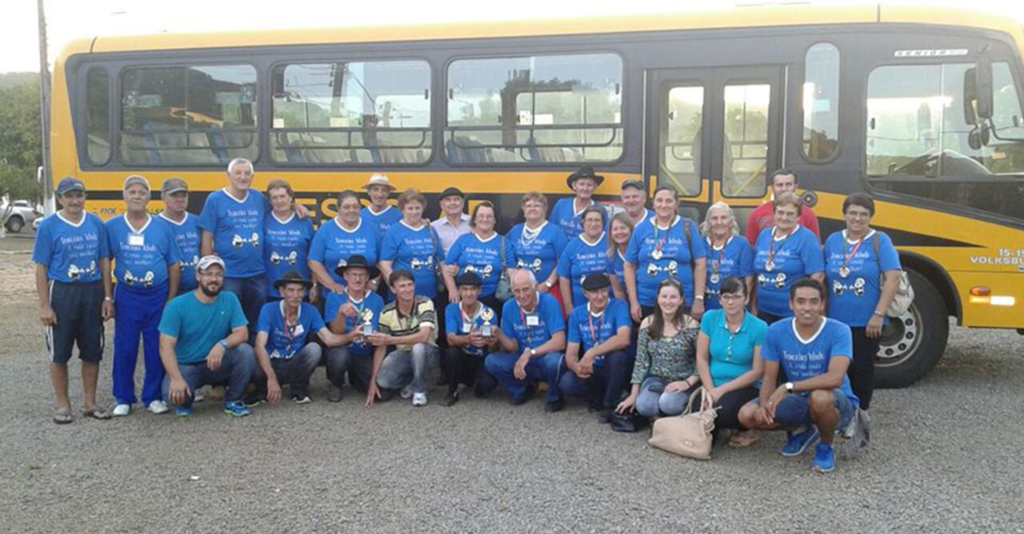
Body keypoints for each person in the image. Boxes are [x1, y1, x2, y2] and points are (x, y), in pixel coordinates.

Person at [738, 278, 859, 474]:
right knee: (747, 415)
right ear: (791, 304)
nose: (807, 308)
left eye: (813, 302)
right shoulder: (777, 330)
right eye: (801, 301)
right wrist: (764, 405)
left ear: (822, 304)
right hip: (800, 399)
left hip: (836, 400)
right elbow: (769, 377)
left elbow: (835, 378)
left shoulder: (839, 330)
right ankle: (801, 430)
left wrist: (787, 387)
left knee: (819, 397)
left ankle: (826, 447)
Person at [33, 177, 114, 424]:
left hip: (92, 292)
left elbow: (104, 261)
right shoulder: (49, 226)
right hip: (62, 293)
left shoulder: (96, 223)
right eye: (69, 196)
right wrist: (45, 306)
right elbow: (41, 268)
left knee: (92, 351)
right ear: (60, 199)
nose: (75, 201)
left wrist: (108, 296)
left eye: (79, 195)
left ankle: (90, 404)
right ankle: (63, 405)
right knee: (60, 353)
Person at [825, 193, 901, 445]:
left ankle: (860, 418)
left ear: (870, 217)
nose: (857, 218)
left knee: (862, 370)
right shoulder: (834, 241)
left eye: (863, 214)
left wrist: (878, 315)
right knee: (837, 371)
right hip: (836, 322)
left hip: (867, 322)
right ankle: (840, 415)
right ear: (844, 214)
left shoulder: (880, 241)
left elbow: (893, 278)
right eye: (853, 213)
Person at [107, 175, 181, 417]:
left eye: (142, 192)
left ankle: (153, 397)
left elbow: (173, 265)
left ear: (149, 198)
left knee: (155, 346)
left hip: (157, 295)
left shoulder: (162, 226)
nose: (137, 196)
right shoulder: (113, 226)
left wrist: (170, 298)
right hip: (127, 295)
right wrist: (108, 297)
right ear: (124, 196)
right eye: (132, 192)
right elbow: (104, 261)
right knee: (125, 347)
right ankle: (123, 397)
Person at [159, 256, 258, 418]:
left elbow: (242, 333)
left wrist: (222, 345)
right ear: (198, 276)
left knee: (245, 352)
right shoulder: (177, 305)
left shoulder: (230, 299)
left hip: (217, 363)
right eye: (208, 274)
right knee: (175, 398)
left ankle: (233, 401)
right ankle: (186, 400)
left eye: (218, 275)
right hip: (187, 365)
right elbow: (165, 346)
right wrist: (176, 378)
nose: (214, 279)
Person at [250, 271, 346, 405]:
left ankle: (298, 389)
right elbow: (260, 344)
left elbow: (329, 339)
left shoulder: (310, 310)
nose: (296, 295)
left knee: (314, 349)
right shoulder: (268, 309)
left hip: (293, 362)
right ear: (281, 292)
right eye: (291, 290)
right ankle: (263, 389)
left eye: (300, 290)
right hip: (271, 362)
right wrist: (271, 377)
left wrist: (353, 335)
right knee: (251, 352)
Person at [198, 158, 267, 341]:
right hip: (230, 274)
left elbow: (279, 210)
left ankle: (253, 357)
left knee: (255, 321)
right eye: (238, 173)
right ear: (228, 176)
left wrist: (296, 205)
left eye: (246, 174)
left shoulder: (259, 198)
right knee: (229, 320)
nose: (242, 177)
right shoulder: (215, 200)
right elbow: (207, 237)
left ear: (253, 177)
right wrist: (209, 272)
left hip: (256, 273)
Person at [695, 277, 768, 447]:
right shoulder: (710, 318)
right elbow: (701, 358)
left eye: (736, 297)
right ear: (720, 299)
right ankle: (715, 430)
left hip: (744, 386)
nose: (731, 302)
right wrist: (710, 389)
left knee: (723, 412)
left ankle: (742, 428)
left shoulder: (760, 327)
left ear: (746, 299)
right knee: (695, 407)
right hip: (712, 382)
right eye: (726, 297)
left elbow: (758, 371)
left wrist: (720, 391)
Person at [616, 279, 700, 418]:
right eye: (664, 296)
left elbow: (702, 359)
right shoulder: (647, 324)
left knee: (668, 404)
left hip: (684, 380)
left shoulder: (691, 325)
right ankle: (661, 417)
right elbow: (641, 362)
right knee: (644, 406)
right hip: (656, 380)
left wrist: (687, 382)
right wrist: (633, 395)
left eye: (673, 297)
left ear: (681, 300)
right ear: (658, 298)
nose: (668, 301)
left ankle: (678, 413)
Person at [484, 271, 567, 411]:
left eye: (525, 289)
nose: (522, 295)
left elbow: (560, 341)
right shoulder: (509, 307)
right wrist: (499, 334)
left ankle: (555, 396)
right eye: (517, 291)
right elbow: (512, 347)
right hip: (523, 360)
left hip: (545, 357)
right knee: (492, 361)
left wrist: (530, 353)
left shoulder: (549, 302)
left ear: (535, 286)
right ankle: (522, 389)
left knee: (554, 362)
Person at [624, 185, 708, 323]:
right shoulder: (641, 229)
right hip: (647, 300)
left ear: (676, 204)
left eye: (669, 201)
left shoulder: (688, 226)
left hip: (681, 301)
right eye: (659, 200)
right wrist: (633, 302)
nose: (664, 205)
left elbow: (701, 264)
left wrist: (699, 298)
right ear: (653, 203)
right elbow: (629, 265)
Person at [558, 274, 632, 422]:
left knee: (617, 356)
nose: (600, 296)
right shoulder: (577, 314)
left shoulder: (619, 306)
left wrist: (591, 353)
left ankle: (610, 405)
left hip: (614, 368)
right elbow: (571, 353)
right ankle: (597, 398)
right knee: (567, 382)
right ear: (585, 294)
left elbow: (624, 338)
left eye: (603, 291)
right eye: (594, 292)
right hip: (593, 369)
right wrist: (576, 366)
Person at [368, 270, 439, 407]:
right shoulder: (386, 312)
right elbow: (381, 346)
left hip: (427, 353)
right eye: (402, 286)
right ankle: (415, 382)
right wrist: (372, 382)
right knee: (383, 380)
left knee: (418, 347)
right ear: (393, 289)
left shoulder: (425, 303)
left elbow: (424, 336)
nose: (407, 289)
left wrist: (390, 340)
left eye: (410, 285)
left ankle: (419, 391)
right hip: (404, 355)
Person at [752, 192, 825, 324]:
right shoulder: (764, 235)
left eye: (790, 214)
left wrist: (805, 307)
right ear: (774, 214)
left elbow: (817, 276)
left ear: (798, 217)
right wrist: (754, 306)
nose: (784, 217)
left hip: (791, 313)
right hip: (764, 310)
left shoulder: (806, 238)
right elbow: (758, 275)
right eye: (780, 212)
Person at [323, 255, 386, 402]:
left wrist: (368, 335)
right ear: (345, 276)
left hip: (364, 351)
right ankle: (335, 384)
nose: (357, 279)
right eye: (353, 275)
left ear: (367, 277)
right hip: (342, 347)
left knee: (380, 395)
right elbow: (335, 332)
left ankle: (356, 379)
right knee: (340, 356)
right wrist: (340, 314)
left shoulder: (376, 300)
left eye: (362, 275)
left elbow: (378, 331)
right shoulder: (335, 297)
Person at [308, 190, 382, 305]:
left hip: (366, 296)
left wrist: (374, 281)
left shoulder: (372, 229)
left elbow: (382, 260)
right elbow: (314, 261)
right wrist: (331, 284)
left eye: (355, 207)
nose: (351, 210)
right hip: (333, 296)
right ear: (338, 209)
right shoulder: (326, 230)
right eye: (346, 207)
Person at [443, 201, 516, 317]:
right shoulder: (463, 240)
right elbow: (447, 267)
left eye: (489, 216)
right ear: (475, 220)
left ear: (495, 220)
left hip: (492, 297)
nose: (485, 219)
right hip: (464, 297)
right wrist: (452, 289)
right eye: (481, 216)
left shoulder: (503, 243)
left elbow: (512, 270)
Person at [442, 272, 500, 406]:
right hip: (462, 356)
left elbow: (494, 349)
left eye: (473, 289)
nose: (469, 293)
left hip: (481, 357)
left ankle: (476, 383)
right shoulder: (452, 309)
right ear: (459, 291)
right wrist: (468, 339)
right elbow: (450, 339)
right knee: (451, 353)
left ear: (479, 291)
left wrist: (491, 343)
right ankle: (452, 391)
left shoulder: (489, 313)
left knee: (485, 388)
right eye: (465, 289)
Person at [379, 188, 444, 301]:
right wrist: (395, 287)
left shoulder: (430, 230)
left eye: (417, 208)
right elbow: (385, 264)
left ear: (423, 208)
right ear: (402, 209)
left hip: (430, 295)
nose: (414, 212)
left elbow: (441, 260)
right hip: (402, 298)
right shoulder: (394, 231)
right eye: (410, 208)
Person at [507, 191, 567, 310]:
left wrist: (547, 284)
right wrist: (516, 284)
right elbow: (509, 260)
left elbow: (562, 262)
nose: (532, 208)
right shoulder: (515, 231)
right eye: (528, 206)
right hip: (520, 293)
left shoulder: (555, 232)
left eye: (537, 205)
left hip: (547, 289)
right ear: (523, 210)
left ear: (544, 210)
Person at [263, 179, 314, 302]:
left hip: (300, 288)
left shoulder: (305, 221)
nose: (279, 201)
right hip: (271, 287)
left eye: (283, 196)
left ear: (291, 197)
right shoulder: (263, 220)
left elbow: (313, 256)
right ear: (270, 201)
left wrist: (314, 285)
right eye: (274, 197)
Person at [700, 202, 755, 310]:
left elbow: (749, 279)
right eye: (714, 218)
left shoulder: (741, 244)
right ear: (708, 222)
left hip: (732, 306)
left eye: (724, 218)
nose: (719, 222)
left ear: (730, 222)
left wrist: (740, 303)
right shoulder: (701, 243)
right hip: (706, 305)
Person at [745, 168, 821, 245]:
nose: (784, 189)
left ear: (795, 187)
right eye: (779, 185)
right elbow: (751, 246)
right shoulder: (757, 214)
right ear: (772, 187)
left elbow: (814, 244)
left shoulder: (808, 215)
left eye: (788, 184)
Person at [558, 206, 611, 313]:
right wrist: (568, 305)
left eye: (597, 220)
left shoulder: (611, 242)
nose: (593, 224)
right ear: (583, 222)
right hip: (580, 305)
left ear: (603, 223)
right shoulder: (572, 245)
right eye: (589, 220)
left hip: (608, 304)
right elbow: (563, 276)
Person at [159, 178, 200, 296]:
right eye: (174, 195)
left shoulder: (197, 222)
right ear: (163, 197)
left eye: (183, 195)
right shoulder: (156, 224)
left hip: (195, 290)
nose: (180, 199)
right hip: (167, 290)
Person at [551, 166, 605, 241]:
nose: (585, 188)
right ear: (574, 186)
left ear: (594, 187)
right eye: (581, 184)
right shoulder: (561, 204)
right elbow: (552, 231)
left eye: (589, 185)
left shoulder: (600, 210)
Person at [431, 187, 472, 256]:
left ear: (462, 203)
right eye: (448, 200)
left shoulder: (474, 222)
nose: (452, 203)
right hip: (444, 265)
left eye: (456, 199)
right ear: (441, 205)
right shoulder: (433, 227)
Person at [607, 212, 634, 300]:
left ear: (631, 230)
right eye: (615, 229)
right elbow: (618, 291)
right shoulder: (610, 257)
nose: (619, 232)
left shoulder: (640, 253)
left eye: (623, 228)